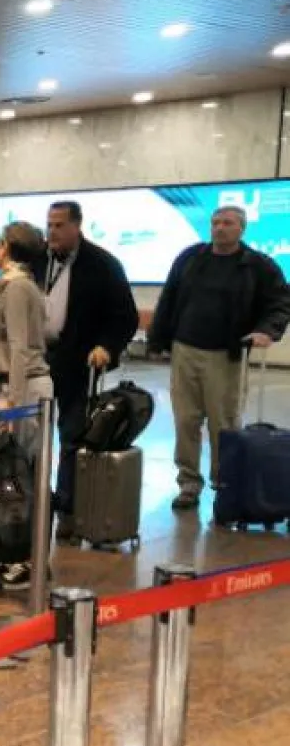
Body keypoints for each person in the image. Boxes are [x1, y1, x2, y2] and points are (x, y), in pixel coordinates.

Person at [147, 205, 290, 511]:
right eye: (215, 222)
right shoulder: (190, 258)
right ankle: (188, 483)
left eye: (227, 223)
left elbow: (280, 302)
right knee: (186, 420)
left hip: (227, 354)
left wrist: (268, 330)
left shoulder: (258, 265)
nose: (219, 228)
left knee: (223, 424)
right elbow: (169, 297)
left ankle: (223, 482)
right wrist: (157, 338)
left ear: (242, 229)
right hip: (185, 349)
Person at [41, 201, 139, 541]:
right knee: (28, 433)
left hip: (76, 363)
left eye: (59, 225)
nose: (52, 232)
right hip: (35, 362)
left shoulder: (102, 265)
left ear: (77, 226)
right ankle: (31, 502)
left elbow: (124, 316)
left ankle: (67, 508)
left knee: (72, 435)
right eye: (49, 225)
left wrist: (106, 347)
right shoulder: (38, 261)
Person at [0, 221, 53, 590]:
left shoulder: (19, 288)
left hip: (23, 389)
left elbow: (21, 347)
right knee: (11, 473)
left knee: (24, 475)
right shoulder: (5, 286)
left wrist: (14, 403)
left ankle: (29, 559)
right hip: (7, 386)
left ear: (7, 247)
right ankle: (12, 552)